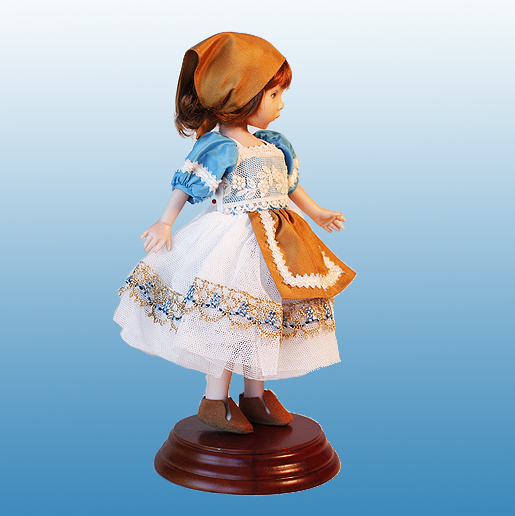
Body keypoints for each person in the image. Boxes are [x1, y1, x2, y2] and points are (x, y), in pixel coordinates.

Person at [114, 32, 356, 434]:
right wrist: (165, 221)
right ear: (243, 96)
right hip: (236, 240)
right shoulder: (222, 148)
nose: (281, 104)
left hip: (279, 244)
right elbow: (187, 187)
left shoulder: (274, 145)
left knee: (264, 316)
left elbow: (289, 187)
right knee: (229, 323)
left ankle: (255, 396)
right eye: (274, 94)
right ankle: (215, 399)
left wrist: (317, 213)